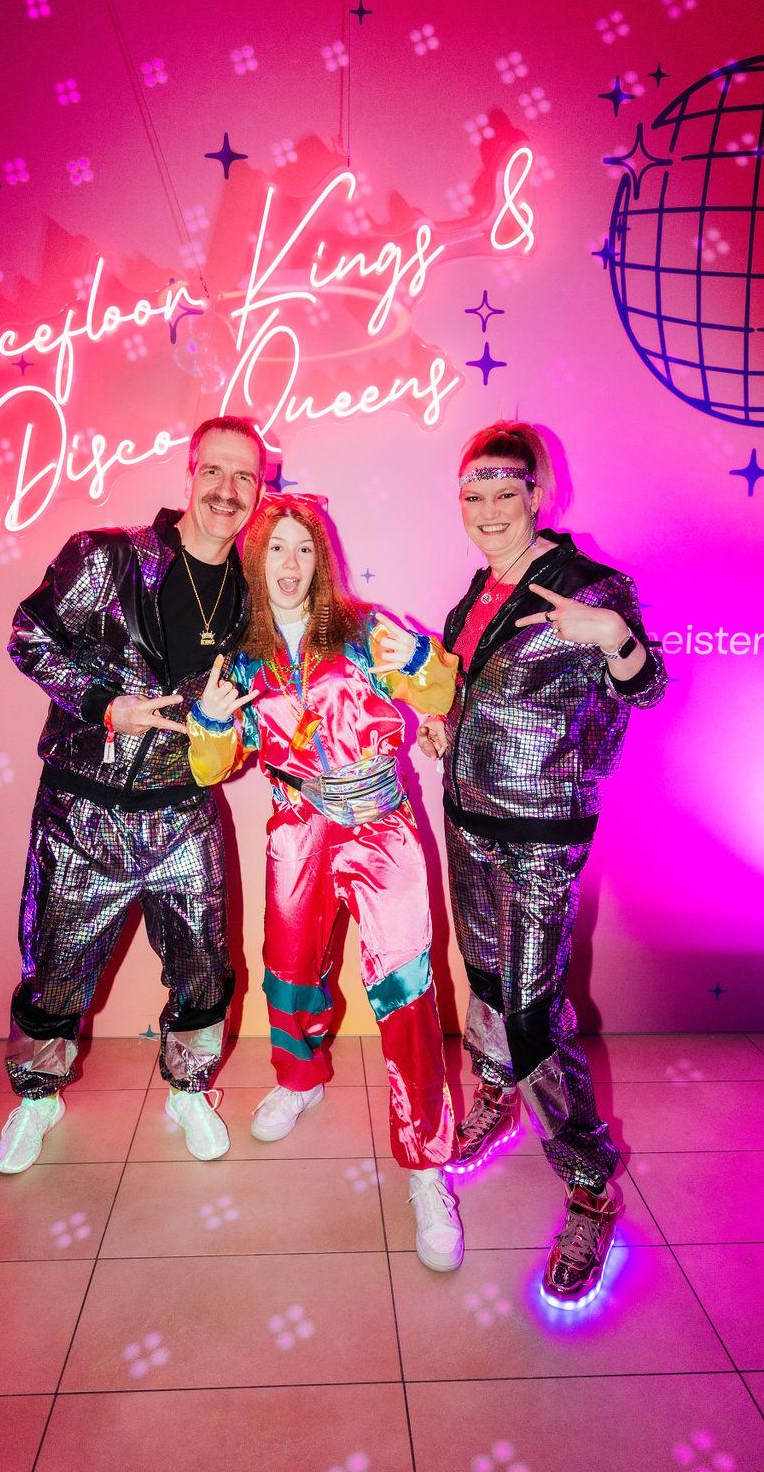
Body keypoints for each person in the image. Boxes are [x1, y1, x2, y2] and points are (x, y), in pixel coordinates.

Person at [418, 420, 666, 1303]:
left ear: (537, 495)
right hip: (467, 818)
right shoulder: (477, 590)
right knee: (486, 979)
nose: (488, 510)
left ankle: (591, 1186)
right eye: (473, 495)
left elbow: (648, 685)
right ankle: (495, 1094)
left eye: (504, 493)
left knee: (532, 1015)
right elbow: (470, 688)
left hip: (540, 834)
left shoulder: (590, 586)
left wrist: (613, 635)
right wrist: (443, 723)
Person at [186, 494, 465, 1271]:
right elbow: (213, 767)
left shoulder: (365, 629)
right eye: (276, 547)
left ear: (322, 558)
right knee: (290, 971)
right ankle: (300, 1077)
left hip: (380, 827)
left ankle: (427, 1163)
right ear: (256, 560)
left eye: (303, 548)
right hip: (296, 827)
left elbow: (438, 695)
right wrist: (211, 721)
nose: (290, 563)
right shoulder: (242, 659)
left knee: (406, 989)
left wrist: (420, 663)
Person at [0, 416, 265, 1175]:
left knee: (204, 968)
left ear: (259, 490)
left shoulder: (253, 594)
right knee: (55, 969)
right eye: (214, 470)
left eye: (244, 476)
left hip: (184, 813)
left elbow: (255, 699)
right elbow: (28, 636)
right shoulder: (107, 555)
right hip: (82, 811)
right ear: (190, 473)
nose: (227, 489)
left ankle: (189, 1089)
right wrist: (105, 704)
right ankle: (37, 1098)